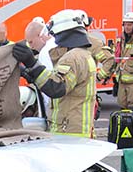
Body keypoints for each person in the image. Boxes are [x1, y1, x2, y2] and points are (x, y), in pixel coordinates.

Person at [12, 9, 96, 137]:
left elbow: (56, 87)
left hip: (70, 134)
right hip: (75, 131)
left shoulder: (73, 57)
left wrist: (32, 64)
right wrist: (31, 73)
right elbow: (57, 80)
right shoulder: (82, 55)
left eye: (55, 35)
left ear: (64, 34)